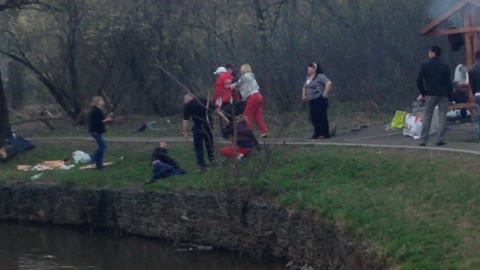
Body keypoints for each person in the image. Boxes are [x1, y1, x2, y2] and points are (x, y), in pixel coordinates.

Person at [416, 45, 453, 147]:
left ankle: (423, 140)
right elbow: (449, 82)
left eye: (429, 52)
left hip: (430, 94)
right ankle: (439, 139)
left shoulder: (425, 65)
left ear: (432, 52)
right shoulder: (445, 65)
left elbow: (419, 80)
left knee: (427, 116)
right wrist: (450, 96)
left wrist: (423, 93)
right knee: (442, 116)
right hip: (443, 94)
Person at [183, 94, 225, 172]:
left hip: (198, 127)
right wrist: (225, 118)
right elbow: (216, 110)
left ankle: (201, 165)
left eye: (184, 99)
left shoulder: (188, 105)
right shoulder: (204, 100)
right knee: (209, 144)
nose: (184, 101)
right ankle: (212, 160)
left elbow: (186, 121)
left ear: (188, 97)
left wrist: (185, 132)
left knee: (198, 147)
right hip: (208, 126)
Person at [231, 64, 268, 138]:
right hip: (258, 96)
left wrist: (231, 85)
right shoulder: (251, 77)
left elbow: (239, 82)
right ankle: (264, 131)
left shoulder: (246, 76)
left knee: (247, 116)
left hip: (252, 97)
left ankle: (247, 132)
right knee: (258, 116)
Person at [302, 62, 333, 139]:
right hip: (311, 100)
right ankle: (317, 133)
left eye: (310, 67)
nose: (308, 68)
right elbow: (304, 86)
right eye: (308, 67)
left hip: (319, 99)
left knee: (321, 117)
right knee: (313, 117)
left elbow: (328, 83)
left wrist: (325, 94)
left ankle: (324, 134)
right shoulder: (308, 77)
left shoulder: (320, 76)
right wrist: (304, 95)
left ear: (315, 69)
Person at [88, 96, 113, 169]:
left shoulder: (99, 110)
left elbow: (102, 119)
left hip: (98, 131)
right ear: (97, 102)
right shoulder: (94, 111)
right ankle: (96, 161)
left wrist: (108, 117)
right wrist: (106, 120)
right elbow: (98, 122)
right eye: (101, 100)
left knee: (102, 146)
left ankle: (95, 160)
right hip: (95, 132)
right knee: (103, 146)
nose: (103, 102)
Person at [212, 66, 236, 138]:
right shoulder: (231, 77)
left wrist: (213, 99)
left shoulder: (220, 79)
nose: (217, 75)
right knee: (230, 117)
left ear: (221, 73)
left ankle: (224, 134)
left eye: (218, 73)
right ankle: (232, 134)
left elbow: (217, 91)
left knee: (223, 118)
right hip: (231, 100)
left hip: (223, 100)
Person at [469, 50, 480, 140]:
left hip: (477, 94)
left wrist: (473, 93)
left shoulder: (472, 69)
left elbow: (472, 85)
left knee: (479, 116)